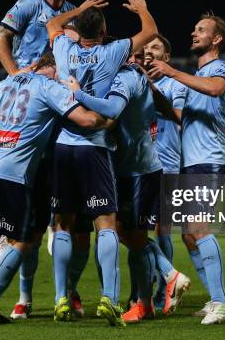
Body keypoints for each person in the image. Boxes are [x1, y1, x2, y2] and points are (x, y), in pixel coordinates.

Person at [0, 54, 109, 325]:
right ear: (51, 69)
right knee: (22, 242)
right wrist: (108, 117)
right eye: (59, 73)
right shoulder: (48, 87)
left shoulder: (5, 82)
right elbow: (87, 121)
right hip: (13, 174)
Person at [46, 0, 157, 326]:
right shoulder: (113, 52)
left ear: (78, 30)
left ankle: (61, 299)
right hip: (96, 147)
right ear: (104, 30)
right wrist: (142, 9)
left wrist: (78, 9)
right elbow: (150, 32)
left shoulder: (64, 49)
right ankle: (108, 297)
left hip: (64, 146)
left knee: (63, 224)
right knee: (105, 223)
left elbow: (53, 23)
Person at [0, 0, 89, 319]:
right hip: (30, 110)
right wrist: (16, 75)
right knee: (26, 215)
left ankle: (69, 292)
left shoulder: (76, 13)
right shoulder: (28, 5)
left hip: (61, 109)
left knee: (68, 214)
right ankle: (25, 296)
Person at [65, 60, 191, 323]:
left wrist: (78, 93)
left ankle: (168, 277)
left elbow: (111, 112)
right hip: (129, 170)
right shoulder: (136, 76)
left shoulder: (126, 76)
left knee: (131, 236)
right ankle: (145, 301)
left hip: (138, 171)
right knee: (122, 234)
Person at [147, 12, 225, 325]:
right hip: (192, 161)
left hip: (209, 159)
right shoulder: (196, 75)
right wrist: (150, 85)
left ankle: (221, 302)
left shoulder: (219, 68)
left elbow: (214, 89)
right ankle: (215, 298)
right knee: (188, 235)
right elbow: (178, 116)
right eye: (194, 28)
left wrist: (171, 72)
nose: (194, 32)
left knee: (198, 228)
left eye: (202, 30)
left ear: (216, 39)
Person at [143, 35, 188, 311]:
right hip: (139, 164)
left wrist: (152, 91)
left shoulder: (174, 84)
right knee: (136, 230)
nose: (149, 52)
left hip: (166, 164)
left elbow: (180, 116)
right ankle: (149, 289)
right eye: (146, 48)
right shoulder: (136, 82)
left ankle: (163, 291)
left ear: (167, 57)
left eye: (155, 48)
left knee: (162, 232)